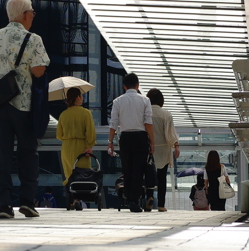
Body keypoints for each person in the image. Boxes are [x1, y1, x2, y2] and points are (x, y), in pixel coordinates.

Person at [0, 0, 50, 220]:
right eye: (32, 13)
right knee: (28, 153)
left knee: (1, 156)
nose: (33, 17)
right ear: (25, 14)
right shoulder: (33, 39)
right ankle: (27, 202)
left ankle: (4, 206)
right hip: (24, 105)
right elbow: (39, 70)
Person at [107, 73, 154, 212]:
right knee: (138, 169)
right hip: (141, 137)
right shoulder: (145, 100)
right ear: (138, 85)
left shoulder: (117, 101)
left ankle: (129, 199)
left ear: (124, 86)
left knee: (127, 169)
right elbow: (148, 123)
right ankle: (135, 200)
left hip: (125, 137)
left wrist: (110, 141)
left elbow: (113, 123)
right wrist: (152, 141)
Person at [56, 86, 96, 207]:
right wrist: (90, 146)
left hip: (67, 147)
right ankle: (78, 199)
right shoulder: (86, 113)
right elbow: (90, 132)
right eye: (81, 95)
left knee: (69, 173)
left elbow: (59, 135)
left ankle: (71, 198)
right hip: (81, 146)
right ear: (77, 97)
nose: (82, 98)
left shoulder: (63, 114)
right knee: (82, 173)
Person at [146, 89, 179, 212]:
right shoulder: (166, 114)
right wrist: (176, 145)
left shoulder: (145, 113)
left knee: (148, 175)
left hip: (149, 148)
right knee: (161, 177)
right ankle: (161, 204)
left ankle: (149, 196)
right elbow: (170, 133)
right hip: (164, 148)